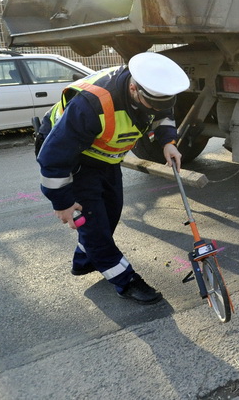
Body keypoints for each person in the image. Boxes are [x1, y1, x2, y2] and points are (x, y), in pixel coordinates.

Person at [36, 52, 190, 304]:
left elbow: (162, 113)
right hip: (73, 161)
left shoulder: (153, 91)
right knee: (94, 225)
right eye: (151, 104)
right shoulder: (91, 104)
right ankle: (125, 281)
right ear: (133, 88)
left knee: (110, 214)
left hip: (106, 160)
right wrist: (62, 202)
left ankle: (84, 262)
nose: (156, 108)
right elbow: (54, 159)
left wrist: (168, 142)